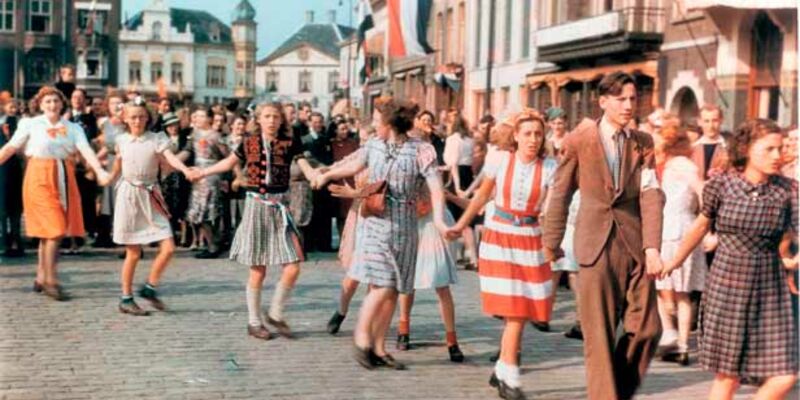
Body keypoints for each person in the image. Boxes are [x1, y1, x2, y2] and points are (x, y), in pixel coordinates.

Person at [542, 71, 666, 400]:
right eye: (621, 99)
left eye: (632, 99)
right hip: (594, 245)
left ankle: (617, 391)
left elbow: (651, 194)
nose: (628, 105)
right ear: (603, 102)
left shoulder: (643, 142)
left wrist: (653, 246)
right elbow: (561, 193)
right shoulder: (579, 140)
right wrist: (551, 243)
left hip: (635, 243)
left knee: (649, 328)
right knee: (599, 335)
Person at [662, 118, 798, 400]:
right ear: (747, 148)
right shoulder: (721, 186)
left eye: (780, 148)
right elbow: (700, 226)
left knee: (785, 374)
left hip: (769, 290)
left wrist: (794, 261)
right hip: (728, 285)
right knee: (728, 378)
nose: (778, 155)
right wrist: (674, 261)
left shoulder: (788, 190)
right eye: (769, 149)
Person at [314, 97, 447, 371]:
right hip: (375, 222)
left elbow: (435, 186)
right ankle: (361, 338)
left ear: (389, 124)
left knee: (392, 290)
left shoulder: (422, 150)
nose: (374, 125)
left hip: (406, 227)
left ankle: (378, 348)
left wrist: (442, 222)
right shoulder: (374, 145)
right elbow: (352, 166)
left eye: (377, 120)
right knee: (383, 283)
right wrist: (328, 175)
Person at [447, 110, 556, 400]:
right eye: (527, 134)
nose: (533, 139)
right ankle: (510, 377)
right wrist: (460, 225)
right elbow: (482, 197)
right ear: (516, 136)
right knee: (515, 311)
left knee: (519, 311)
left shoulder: (549, 167)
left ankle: (501, 370)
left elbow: (555, 208)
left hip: (530, 240)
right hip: (500, 237)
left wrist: (553, 242)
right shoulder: (502, 160)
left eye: (538, 134)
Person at [193, 102, 318, 340]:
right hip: (257, 206)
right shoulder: (249, 142)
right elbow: (228, 163)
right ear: (259, 119)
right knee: (258, 269)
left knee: (293, 265)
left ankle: (276, 313)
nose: (272, 121)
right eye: (267, 116)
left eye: (276, 117)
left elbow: (304, 165)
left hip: (280, 207)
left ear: (282, 120)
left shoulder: (291, 143)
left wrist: (315, 175)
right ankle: (253, 321)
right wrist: (203, 172)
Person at [0, 86, 111, 300]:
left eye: (55, 101)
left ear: (62, 104)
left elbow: (86, 150)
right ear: (40, 105)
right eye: (47, 102)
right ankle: (51, 281)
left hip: (63, 175)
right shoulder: (30, 124)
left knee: (49, 232)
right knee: (55, 229)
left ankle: (41, 277)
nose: (52, 105)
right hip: (38, 176)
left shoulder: (72, 127)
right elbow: (11, 147)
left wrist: (99, 171)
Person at [106, 100, 194, 315]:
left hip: (152, 194)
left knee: (169, 247)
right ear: (125, 119)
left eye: (141, 117)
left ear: (148, 118)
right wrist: (105, 178)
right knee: (133, 252)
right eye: (133, 117)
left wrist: (186, 170)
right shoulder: (121, 140)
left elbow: (170, 158)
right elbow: (118, 166)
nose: (137, 120)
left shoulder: (156, 139)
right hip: (129, 195)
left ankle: (149, 287)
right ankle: (126, 298)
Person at [396, 110, 464, 363]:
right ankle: (403, 330)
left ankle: (452, 340)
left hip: (432, 221)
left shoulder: (429, 152)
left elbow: (434, 188)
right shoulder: (398, 155)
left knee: (440, 281)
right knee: (408, 280)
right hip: (411, 220)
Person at [652, 121, 706, 366]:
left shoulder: (679, 165)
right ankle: (681, 343)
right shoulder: (682, 164)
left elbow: (702, 190)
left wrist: (708, 218)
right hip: (686, 226)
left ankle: (670, 332)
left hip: (671, 228)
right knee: (682, 292)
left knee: (660, 283)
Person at [326, 125, 373, 335]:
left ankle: (369, 318)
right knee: (354, 271)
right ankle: (341, 311)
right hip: (360, 213)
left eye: (368, 137)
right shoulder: (363, 153)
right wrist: (323, 171)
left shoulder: (384, 155)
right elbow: (344, 164)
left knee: (376, 274)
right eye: (361, 139)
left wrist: (354, 192)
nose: (365, 143)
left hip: (379, 213)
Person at [543, 106, 583, 340]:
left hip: (571, 201)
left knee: (572, 267)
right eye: (554, 122)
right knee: (554, 267)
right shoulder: (544, 143)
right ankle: (544, 313)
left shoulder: (572, 142)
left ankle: (580, 318)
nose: (558, 126)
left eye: (561, 122)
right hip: (553, 199)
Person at [185, 106, 228, 258]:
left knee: (209, 213)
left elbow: (228, 157)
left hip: (212, 176)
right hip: (198, 177)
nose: (197, 119)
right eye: (196, 116)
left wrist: (229, 177)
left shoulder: (216, 136)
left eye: (201, 116)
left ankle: (214, 245)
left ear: (210, 118)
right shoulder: (194, 135)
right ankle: (211, 243)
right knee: (199, 214)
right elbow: (187, 151)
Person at [93, 91, 127, 248]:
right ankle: (109, 234)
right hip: (110, 163)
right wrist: (94, 160)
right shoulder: (105, 123)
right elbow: (105, 146)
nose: (116, 106)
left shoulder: (127, 122)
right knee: (109, 200)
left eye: (119, 103)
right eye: (113, 103)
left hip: (125, 163)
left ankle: (126, 236)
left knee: (124, 200)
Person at [303, 112, 334, 252]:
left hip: (326, 180)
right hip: (311, 181)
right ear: (309, 123)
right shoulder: (304, 140)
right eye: (314, 122)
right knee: (311, 212)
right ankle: (309, 244)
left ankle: (324, 244)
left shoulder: (326, 139)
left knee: (325, 213)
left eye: (319, 122)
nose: (317, 125)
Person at [159, 112, 192, 242]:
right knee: (167, 206)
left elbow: (187, 154)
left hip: (181, 176)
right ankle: (169, 236)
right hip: (165, 178)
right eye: (169, 126)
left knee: (182, 206)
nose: (172, 128)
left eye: (174, 125)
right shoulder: (161, 140)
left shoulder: (185, 139)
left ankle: (184, 237)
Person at [0, 99, 23, 257]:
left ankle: (16, 239)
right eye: (10, 107)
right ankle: (3, 241)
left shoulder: (21, 125)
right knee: (2, 208)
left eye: (15, 107)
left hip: (16, 170)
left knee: (15, 207)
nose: (12, 110)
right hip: (2, 170)